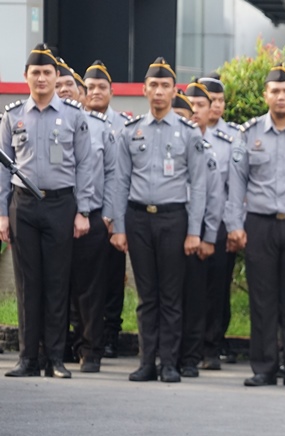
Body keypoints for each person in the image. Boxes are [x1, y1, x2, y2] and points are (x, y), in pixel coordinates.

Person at [110, 57, 208, 383]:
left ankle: (169, 363)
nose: (159, 91)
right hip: (138, 218)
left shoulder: (188, 133)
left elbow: (199, 184)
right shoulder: (131, 131)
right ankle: (146, 362)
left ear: (173, 90)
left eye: (165, 85)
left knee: (170, 296)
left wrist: (195, 231)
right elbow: (120, 181)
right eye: (153, 85)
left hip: (173, 218)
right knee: (146, 296)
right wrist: (120, 227)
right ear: (144, 89)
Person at [0, 44, 95, 379]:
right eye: (35, 72)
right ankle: (28, 359)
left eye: (47, 72)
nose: (41, 78)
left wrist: (82, 210)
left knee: (57, 282)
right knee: (28, 284)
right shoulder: (13, 116)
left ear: (57, 77)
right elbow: (2, 168)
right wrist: (1, 213)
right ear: (26, 77)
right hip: (23, 205)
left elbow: (86, 165)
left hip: (60, 204)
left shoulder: (73, 115)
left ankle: (55, 358)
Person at [226, 63, 285, 388]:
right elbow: (236, 182)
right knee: (262, 298)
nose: (281, 97)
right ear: (265, 94)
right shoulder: (248, 133)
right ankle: (264, 367)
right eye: (275, 91)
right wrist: (234, 225)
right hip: (260, 224)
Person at [185, 80, 235, 372]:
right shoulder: (184, 133)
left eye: (218, 100)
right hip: (185, 223)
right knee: (187, 289)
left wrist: (228, 227)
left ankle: (211, 347)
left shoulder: (232, 138)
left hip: (219, 225)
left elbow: (235, 188)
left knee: (216, 291)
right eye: (207, 100)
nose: (213, 106)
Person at [83, 60, 132, 359]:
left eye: (102, 87)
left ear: (112, 91)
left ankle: (111, 333)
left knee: (114, 279)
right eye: (90, 87)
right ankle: (89, 335)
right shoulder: (78, 121)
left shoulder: (125, 125)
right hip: (86, 215)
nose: (96, 92)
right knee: (87, 280)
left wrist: (115, 215)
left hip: (113, 216)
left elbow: (123, 176)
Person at [69, 81, 118, 373]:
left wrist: (109, 215)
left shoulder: (100, 128)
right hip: (56, 214)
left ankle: (91, 349)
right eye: (58, 84)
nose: (63, 90)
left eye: (69, 86)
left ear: (81, 95)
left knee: (91, 290)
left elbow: (113, 173)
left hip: (94, 216)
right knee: (59, 287)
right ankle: (61, 347)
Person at [175, 85, 223, 377]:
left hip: (197, 232)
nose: (189, 115)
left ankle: (190, 356)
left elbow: (215, 197)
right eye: (182, 112)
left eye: (194, 109)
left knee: (195, 298)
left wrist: (207, 236)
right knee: (168, 297)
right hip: (168, 228)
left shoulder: (205, 150)